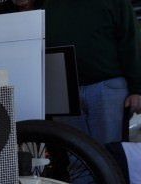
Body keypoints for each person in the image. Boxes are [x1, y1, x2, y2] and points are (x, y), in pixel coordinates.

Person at [46, 0, 141, 145]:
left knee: (111, 156)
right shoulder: (46, 4)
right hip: (64, 89)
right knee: (77, 157)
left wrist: (137, 89)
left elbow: (131, 42)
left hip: (106, 87)